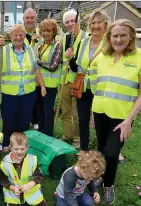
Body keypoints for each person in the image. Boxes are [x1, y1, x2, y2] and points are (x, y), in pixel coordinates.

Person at [91, 19, 141, 203]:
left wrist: (129, 120)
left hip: (122, 117)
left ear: (131, 36)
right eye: (114, 35)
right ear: (109, 37)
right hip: (100, 112)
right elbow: (98, 86)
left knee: (111, 152)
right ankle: (102, 175)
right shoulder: (102, 56)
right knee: (102, 149)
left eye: (123, 35)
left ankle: (108, 184)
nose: (118, 40)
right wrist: (93, 114)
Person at [0, 24, 46, 150]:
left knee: (24, 122)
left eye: (21, 35)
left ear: (24, 36)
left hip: (28, 95)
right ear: (11, 37)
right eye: (16, 35)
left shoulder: (31, 50)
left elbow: (36, 70)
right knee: (9, 122)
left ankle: (20, 147)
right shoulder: (4, 50)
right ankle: (6, 146)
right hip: (10, 95)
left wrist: (42, 86)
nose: (18, 37)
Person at [72, 10, 109, 153]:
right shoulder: (83, 42)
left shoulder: (109, 42)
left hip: (101, 89)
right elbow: (76, 65)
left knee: (100, 122)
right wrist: (71, 58)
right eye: (93, 23)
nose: (95, 26)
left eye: (99, 22)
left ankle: (103, 150)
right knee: (83, 121)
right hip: (83, 87)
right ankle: (84, 149)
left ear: (105, 25)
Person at [60, 9, 87, 148]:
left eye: (73, 20)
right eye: (67, 22)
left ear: (78, 21)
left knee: (76, 112)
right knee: (65, 110)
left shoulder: (86, 38)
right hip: (65, 80)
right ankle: (67, 134)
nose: (70, 24)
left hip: (78, 80)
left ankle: (77, 138)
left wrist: (72, 56)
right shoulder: (65, 38)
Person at [0, 132, 47, 206]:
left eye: (22, 149)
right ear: (10, 148)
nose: (19, 152)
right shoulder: (4, 163)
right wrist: (12, 188)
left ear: (27, 148)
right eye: (16, 149)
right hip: (13, 191)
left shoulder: (32, 160)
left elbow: (39, 175)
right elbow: (2, 179)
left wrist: (30, 184)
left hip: (30, 189)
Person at [35, 19, 62, 137]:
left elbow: (53, 66)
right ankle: (41, 132)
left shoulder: (58, 45)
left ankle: (48, 135)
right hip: (38, 84)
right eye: (43, 31)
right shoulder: (39, 45)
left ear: (54, 32)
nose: (45, 33)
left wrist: (38, 62)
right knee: (39, 110)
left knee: (47, 111)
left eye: (48, 31)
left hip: (50, 86)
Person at [23, 8, 44, 130]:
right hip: (25, 75)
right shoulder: (19, 34)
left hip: (39, 74)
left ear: (36, 19)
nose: (30, 20)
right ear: (23, 19)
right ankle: (28, 120)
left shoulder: (42, 33)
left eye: (32, 18)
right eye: (27, 18)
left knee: (38, 102)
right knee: (27, 102)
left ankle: (36, 120)